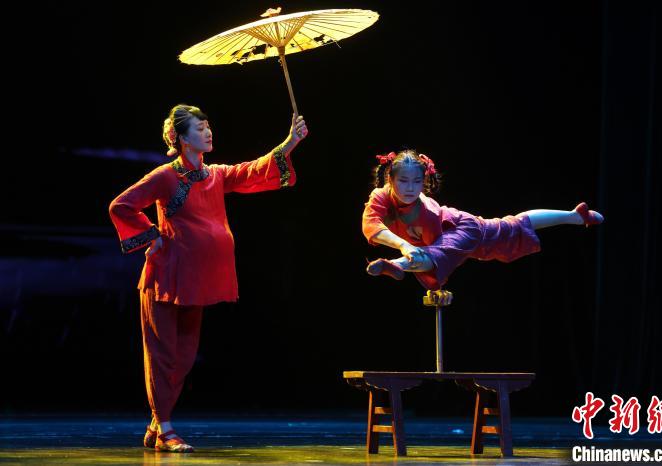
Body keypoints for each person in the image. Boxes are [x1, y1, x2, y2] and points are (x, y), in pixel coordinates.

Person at [108, 104, 308, 452]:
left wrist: (290, 142)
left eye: (208, 126)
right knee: (163, 356)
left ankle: (157, 423)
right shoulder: (165, 177)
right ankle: (166, 430)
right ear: (182, 139)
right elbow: (121, 205)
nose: (208, 132)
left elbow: (251, 171)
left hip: (196, 280)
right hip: (165, 278)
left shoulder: (215, 174)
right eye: (200, 129)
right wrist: (152, 236)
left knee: (184, 357)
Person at [362, 149, 603, 296]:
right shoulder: (380, 196)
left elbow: (438, 251)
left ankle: (395, 265)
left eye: (416, 182)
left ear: (423, 181)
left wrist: (407, 258)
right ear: (390, 179)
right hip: (461, 238)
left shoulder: (427, 209)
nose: (410, 188)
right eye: (403, 181)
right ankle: (574, 216)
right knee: (513, 225)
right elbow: (371, 225)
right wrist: (403, 245)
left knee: (432, 254)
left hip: (462, 229)